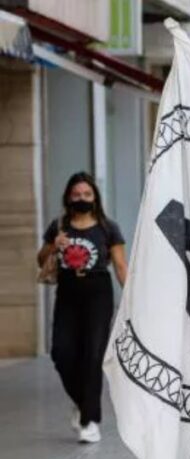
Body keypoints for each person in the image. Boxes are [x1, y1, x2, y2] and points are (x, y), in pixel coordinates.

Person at [36, 172, 127, 444]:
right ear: (68, 197)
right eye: (76, 195)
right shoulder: (59, 225)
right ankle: (82, 402)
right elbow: (41, 260)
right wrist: (54, 245)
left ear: (95, 197)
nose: (82, 199)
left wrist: (131, 298)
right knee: (61, 353)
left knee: (92, 355)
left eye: (87, 194)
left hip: (98, 292)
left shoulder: (108, 228)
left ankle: (90, 421)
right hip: (68, 293)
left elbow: (120, 264)